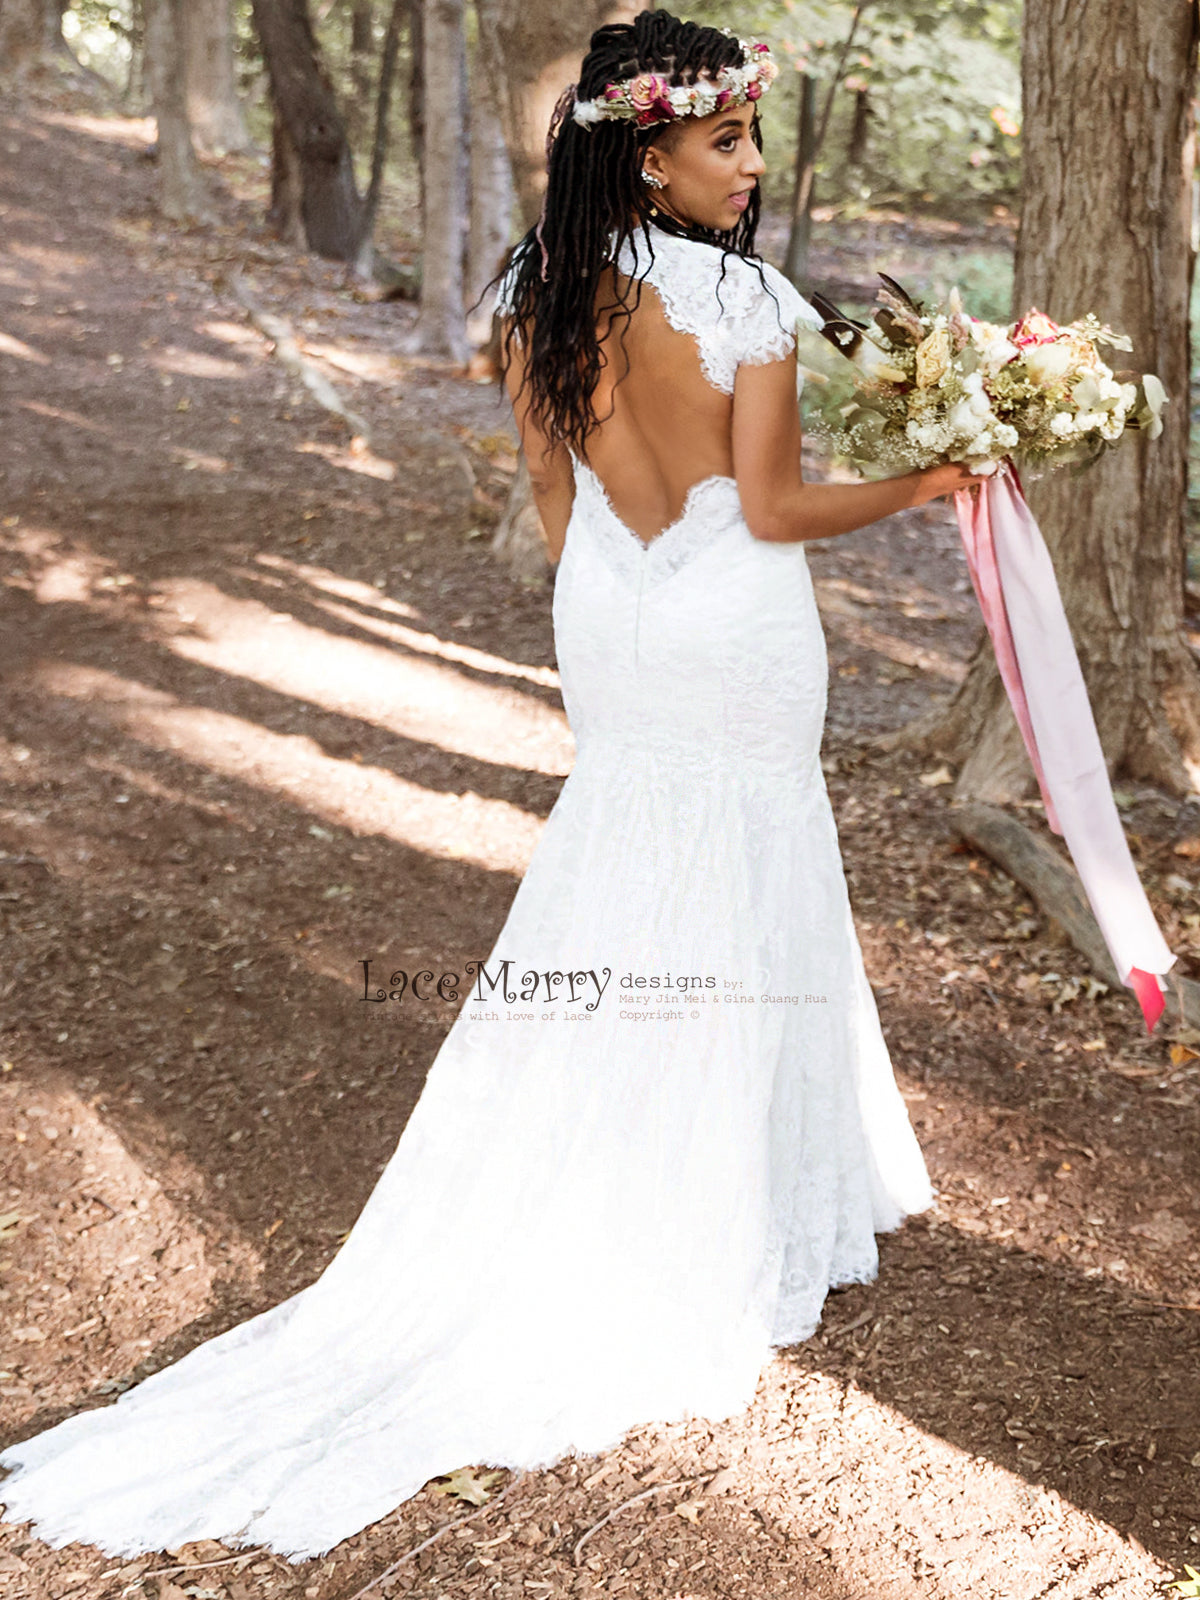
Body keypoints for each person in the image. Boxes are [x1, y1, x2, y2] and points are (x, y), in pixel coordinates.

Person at [0, 12, 987, 1565]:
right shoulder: (744, 299)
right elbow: (783, 506)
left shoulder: (529, 287)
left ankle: (639, 1163)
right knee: (741, 876)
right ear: (648, 150)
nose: (751, 165)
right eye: (725, 139)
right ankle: (709, 1214)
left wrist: (617, 592)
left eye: (747, 137)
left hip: (611, 614)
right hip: (731, 625)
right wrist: (934, 484)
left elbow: (553, 488)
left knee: (619, 871)